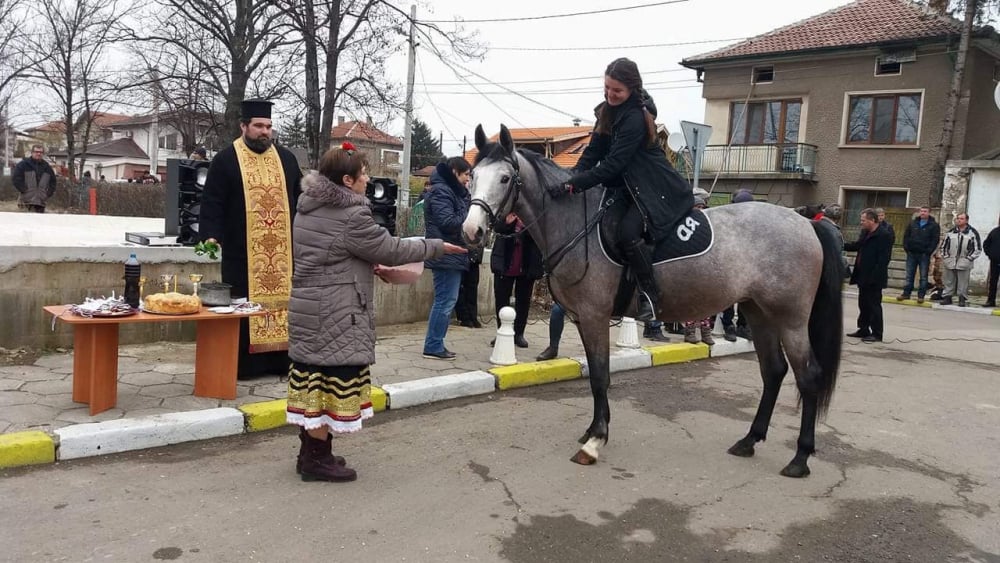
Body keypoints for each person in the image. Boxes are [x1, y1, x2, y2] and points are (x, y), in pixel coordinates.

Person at [286, 143, 466, 482]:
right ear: (347, 180)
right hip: (337, 312)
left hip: (310, 307)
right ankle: (315, 461)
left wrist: (364, 263)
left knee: (314, 384)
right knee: (329, 388)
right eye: (364, 174)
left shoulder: (307, 207)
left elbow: (337, 254)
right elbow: (391, 248)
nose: (368, 179)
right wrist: (437, 246)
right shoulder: (352, 215)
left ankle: (312, 454)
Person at [561, 57, 694, 322]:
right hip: (626, 187)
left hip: (653, 186)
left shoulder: (635, 118)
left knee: (627, 233)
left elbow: (613, 165)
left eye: (617, 90)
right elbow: (593, 152)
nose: (611, 94)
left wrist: (576, 184)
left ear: (632, 89)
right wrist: (569, 175)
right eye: (607, 87)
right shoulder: (606, 112)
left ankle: (649, 294)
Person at [199, 99, 303, 378]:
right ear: (243, 126)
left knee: (284, 306)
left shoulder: (287, 160)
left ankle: (282, 362)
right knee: (242, 306)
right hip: (242, 252)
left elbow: (301, 199)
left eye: (268, 126)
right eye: (258, 126)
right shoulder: (225, 160)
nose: (264, 132)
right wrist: (210, 237)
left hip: (283, 254)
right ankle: (245, 367)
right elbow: (212, 203)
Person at [422, 157, 472, 360]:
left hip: (450, 253)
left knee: (446, 300)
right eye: (466, 175)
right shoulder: (442, 191)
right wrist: (468, 208)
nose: (468, 180)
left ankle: (436, 343)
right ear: (454, 172)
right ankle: (433, 345)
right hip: (445, 253)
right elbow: (448, 222)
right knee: (444, 301)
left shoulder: (450, 191)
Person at [490, 212, 544, 348]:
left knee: (523, 301)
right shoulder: (506, 209)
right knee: (502, 300)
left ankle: (519, 333)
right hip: (505, 263)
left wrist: (527, 226)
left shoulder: (532, 211)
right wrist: (507, 223)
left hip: (526, 264)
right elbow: (495, 227)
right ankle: (502, 332)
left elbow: (541, 235)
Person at [844, 208, 893, 343]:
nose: (861, 223)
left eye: (863, 220)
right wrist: (841, 244)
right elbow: (857, 246)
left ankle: (877, 333)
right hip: (862, 274)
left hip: (874, 277)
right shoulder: (865, 233)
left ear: (872, 220)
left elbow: (883, 259)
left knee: (874, 305)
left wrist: (874, 276)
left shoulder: (884, 235)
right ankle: (863, 329)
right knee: (863, 304)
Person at [721, 189, 755, 341]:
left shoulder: (752, 222)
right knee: (728, 297)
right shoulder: (726, 219)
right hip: (730, 264)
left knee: (746, 297)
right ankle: (728, 325)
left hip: (746, 265)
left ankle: (743, 325)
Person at [682, 191, 715, 345]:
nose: (700, 210)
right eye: (697, 207)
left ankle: (706, 332)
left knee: (706, 307)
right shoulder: (684, 225)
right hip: (690, 272)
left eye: (702, 207)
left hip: (706, 272)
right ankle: (689, 332)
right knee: (690, 305)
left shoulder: (708, 226)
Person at [897, 206, 940, 303]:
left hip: (924, 254)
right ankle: (906, 293)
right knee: (909, 275)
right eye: (921, 211)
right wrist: (906, 248)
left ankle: (921, 295)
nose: (923, 213)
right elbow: (906, 236)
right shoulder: (913, 223)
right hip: (912, 253)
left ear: (929, 213)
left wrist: (929, 251)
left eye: (925, 211)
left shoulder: (933, 225)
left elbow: (935, 239)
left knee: (923, 276)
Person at [939, 212, 982, 307]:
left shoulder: (972, 233)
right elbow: (943, 246)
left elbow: (977, 248)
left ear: (966, 220)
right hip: (950, 260)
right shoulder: (951, 232)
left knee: (963, 282)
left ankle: (962, 298)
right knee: (948, 280)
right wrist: (945, 257)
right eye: (958, 218)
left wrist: (969, 259)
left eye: (961, 218)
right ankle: (947, 297)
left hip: (964, 261)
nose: (959, 220)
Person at [12, 144, 56, 213]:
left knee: (39, 223)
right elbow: (16, 178)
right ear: (32, 152)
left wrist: (47, 194)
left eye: (41, 152)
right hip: (25, 201)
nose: (38, 154)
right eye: (36, 152)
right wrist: (24, 190)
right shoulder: (23, 165)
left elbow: (53, 182)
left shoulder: (47, 167)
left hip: (41, 202)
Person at [983, 214, 1000, 308]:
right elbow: (986, 244)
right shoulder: (994, 232)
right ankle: (991, 300)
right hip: (995, 262)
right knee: (993, 282)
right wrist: (990, 255)